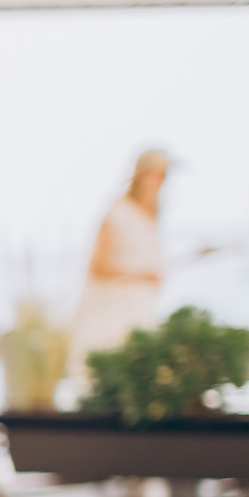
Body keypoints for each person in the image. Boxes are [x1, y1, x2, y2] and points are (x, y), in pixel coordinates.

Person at [64, 148, 171, 382]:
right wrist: (141, 276)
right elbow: (97, 266)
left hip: (140, 311)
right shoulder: (117, 212)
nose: (159, 181)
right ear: (140, 175)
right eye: (154, 174)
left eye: (163, 175)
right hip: (112, 312)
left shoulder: (152, 215)